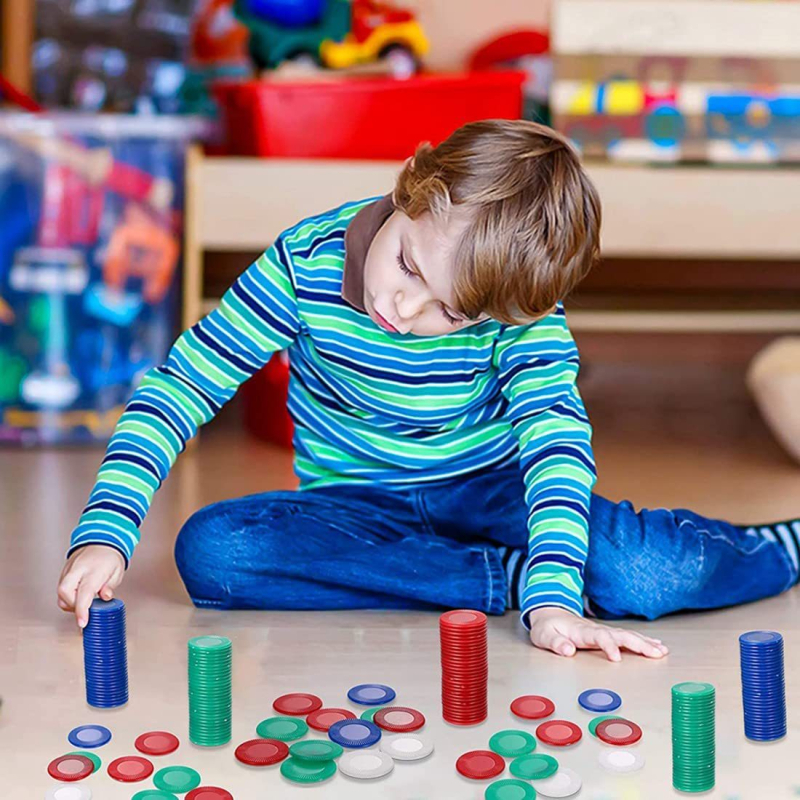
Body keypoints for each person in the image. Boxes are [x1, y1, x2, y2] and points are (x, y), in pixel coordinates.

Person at [57, 120, 800, 661]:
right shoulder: (300, 263)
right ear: (412, 187)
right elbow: (181, 387)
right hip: (352, 503)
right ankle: (494, 575)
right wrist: (104, 532)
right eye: (410, 266)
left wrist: (552, 595)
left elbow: (555, 442)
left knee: (642, 570)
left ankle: (779, 547)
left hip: (492, 490)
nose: (408, 314)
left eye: (452, 311)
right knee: (216, 554)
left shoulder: (519, 309)